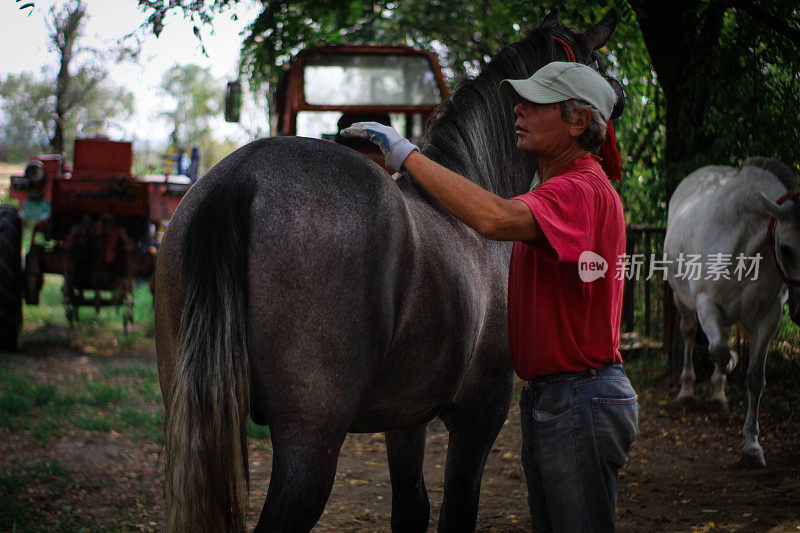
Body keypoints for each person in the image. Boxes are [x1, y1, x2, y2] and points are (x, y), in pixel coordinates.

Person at [341, 61, 638, 532]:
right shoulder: (558, 188)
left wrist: (406, 155)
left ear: (579, 122)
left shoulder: (580, 189)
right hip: (558, 398)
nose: (517, 110)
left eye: (535, 104)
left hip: (579, 399)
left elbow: (494, 219)